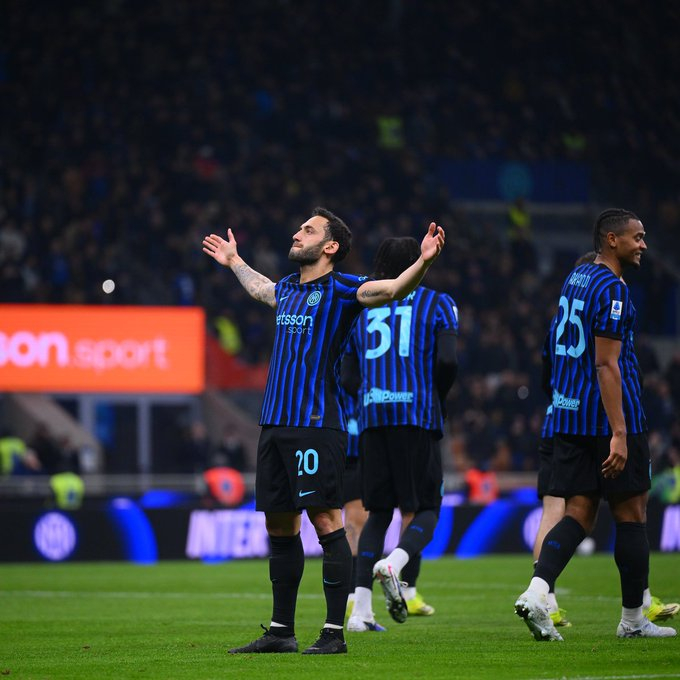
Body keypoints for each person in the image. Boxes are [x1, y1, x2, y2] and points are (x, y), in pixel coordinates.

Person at [202, 208, 445, 655]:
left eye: (308, 230)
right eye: (299, 227)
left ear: (330, 246)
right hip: (274, 424)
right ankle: (281, 631)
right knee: (279, 524)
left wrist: (423, 261)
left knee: (326, 521)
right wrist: (235, 261)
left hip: (315, 425)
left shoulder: (344, 289)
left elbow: (392, 288)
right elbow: (259, 288)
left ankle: (334, 633)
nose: (297, 233)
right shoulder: (287, 289)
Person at [515, 209, 677, 641]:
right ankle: (633, 620)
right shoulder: (613, 289)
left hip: (570, 417)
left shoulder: (578, 277)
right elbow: (607, 364)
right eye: (636, 237)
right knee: (632, 514)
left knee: (579, 513)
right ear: (611, 240)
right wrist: (620, 433)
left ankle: (536, 591)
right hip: (609, 419)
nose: (643, 245)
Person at [340, 236, 458, 629]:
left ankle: (360, 612)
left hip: (372, 418)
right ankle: (396, 562)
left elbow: (348, 375)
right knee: (427, 508)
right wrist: (435, 397)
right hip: (416, 415)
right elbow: (448, 361)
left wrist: (373, 394)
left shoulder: (362, 307)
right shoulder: (437, 303)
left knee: (377, 513)